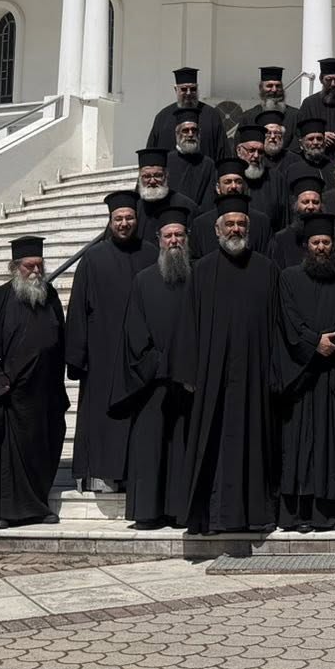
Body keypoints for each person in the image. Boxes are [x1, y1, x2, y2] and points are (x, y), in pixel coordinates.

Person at [173, 195, 279, 534]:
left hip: (255, 376)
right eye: (230, 224)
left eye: (241, 224)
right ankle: (215, 516)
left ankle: (254, 515)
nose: (236, 229)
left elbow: (279, 325)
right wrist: (189, 374)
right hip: (212, 378)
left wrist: (275, 373)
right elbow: (188, 323)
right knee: (213, 445)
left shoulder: (267, 269)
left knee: (254, 444)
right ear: (218, 229)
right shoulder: (202, 270)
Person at [0, 236, 69, 529]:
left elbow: (60, 340)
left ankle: (37, 508)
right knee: (5, 463)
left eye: (39, 266)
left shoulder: (51, 297)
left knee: (40, 454)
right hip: (7, 397)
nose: (35, 272)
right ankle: (4, 513)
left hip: (42, 398)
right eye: (29, 267)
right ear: (15, 268)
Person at [64, 191, 154, 493]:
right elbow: (77, 309)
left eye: (129, 218)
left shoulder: (151, 254)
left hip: (140, 355)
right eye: (119, 218)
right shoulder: (92, 258)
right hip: (101, 354)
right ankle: (98, 475)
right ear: (110, 221)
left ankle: (134, 475)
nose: (124, 223)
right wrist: (77, 357)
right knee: (100, 418)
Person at [273, 214, 335, 529]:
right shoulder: (288, 278)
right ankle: (298, 515)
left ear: (333, 246)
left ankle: (330, 514)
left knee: (333, 446)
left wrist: (331, 341)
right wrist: (314, 342)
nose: (321, 247)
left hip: (332, 375)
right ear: (306, 247)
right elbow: (288, 319)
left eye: (326, 242)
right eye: (315, 242)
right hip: (301, 378)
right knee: (298, 446)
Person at [121, 210, 195, 528]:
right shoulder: (143, 280)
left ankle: (181, 511)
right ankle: (148, 513)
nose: (174, 240)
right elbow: (135, 331)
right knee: (150, 447)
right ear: (159, 241)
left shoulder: (198, 278)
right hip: (152, 382)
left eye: (179, 235)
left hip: (190, 381)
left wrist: (188, 366)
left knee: (183, 446)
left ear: (187, 239)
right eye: (168, 236)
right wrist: (160, 363)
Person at [144, 67, 226, 159]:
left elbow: (223, 152)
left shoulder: (212, 116)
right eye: (183, 89)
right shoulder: (163, 118)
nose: (188, 93)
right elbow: (152, 154)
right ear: (176, 89)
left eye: (193, 89)